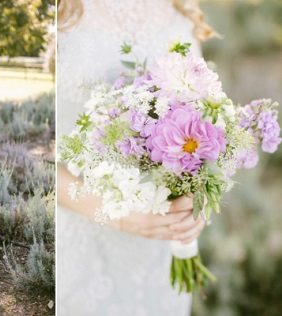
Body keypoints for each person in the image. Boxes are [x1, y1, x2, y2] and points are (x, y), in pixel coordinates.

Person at [57, 0, 217, 314]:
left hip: (159, 248)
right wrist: (115, 213)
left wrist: (198, 199)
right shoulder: (60, 10)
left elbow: (201, 121)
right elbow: (33, 157)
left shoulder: (180, 7)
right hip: (82, 243)